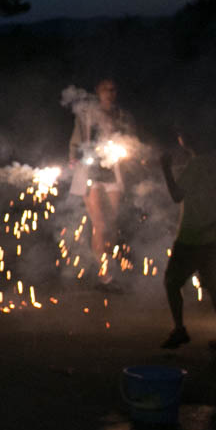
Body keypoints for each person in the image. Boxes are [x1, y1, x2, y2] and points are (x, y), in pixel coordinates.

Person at [159, 127, 216, 352]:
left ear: (186, 141)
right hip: (213, 233)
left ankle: (179, 329)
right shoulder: (214, 161)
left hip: (192, 236)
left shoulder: (195, 165)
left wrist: (165, 169)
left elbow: (177, 195)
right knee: (213, 284)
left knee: (172, 282)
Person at [68, 78, 136, 288]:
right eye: (106, 89)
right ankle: (102, 274)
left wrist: (131, 154)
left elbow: (131, 139)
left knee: (111, 223)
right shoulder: (87, 113)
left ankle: (108, 269)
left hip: (112, 171)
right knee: (99, 223)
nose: (110, 92)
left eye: (113, 89)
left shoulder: (122, 115)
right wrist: (73, 156)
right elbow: (76, 139)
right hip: (91, 171)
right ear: (98, 91)